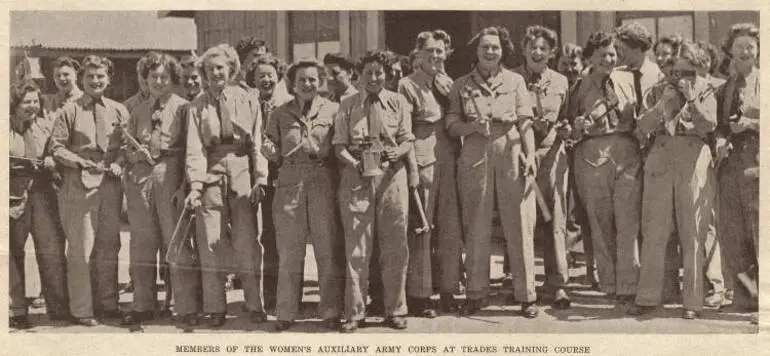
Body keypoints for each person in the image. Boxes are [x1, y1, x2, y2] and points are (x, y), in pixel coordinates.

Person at [446, 26, 538, 318]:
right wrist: (471, 127)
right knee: (476, 223)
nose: (490, 52)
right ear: (476, 51)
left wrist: (530, 154)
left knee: (519, 223)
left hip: (510, 147)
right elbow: (451, 123)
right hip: (475, 151)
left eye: (495, 47)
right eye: (485, 47)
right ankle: (476, 292)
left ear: (503, 51)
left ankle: (527, 295)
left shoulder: (516, 81)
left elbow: (525, 121)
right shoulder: (460, 84)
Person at [630, 41, 717, 320]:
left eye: (688, 72)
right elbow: (641, 127)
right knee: (654, 228)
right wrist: (662, 105)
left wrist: (691, 99)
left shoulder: (706, 88)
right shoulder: (658, 89)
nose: (680, 77)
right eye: (676, 71)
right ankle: (648, 297)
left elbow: (708, 126)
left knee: (693, 232)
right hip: (661, 153)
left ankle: (693, 301)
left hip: (693, 156)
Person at [184, 44, 269, 328]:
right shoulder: (197, 106)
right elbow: (194, 148)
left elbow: (257, 140)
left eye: (220, 68)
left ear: (231, 69)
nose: (215, 73)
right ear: (204, 74)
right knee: (210, 243)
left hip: (242, 170)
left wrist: (260, 177)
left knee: (246, 241)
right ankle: (214, 307)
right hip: (211, 172)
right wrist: (196, 185)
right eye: (210, 69)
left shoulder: (248, 98)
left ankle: (254, 304)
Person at [333, 50, 416, 333]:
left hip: (392, 177)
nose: (373, 77)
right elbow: (339, 145)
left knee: (395, 246)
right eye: (368, 72)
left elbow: (407, 138)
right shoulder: (347, 104)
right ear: (359, 75)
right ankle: (355, 312)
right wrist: (354, 162)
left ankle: (395, 309)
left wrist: (397, 152)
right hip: (357, 177)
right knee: (357, 247)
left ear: (387, 75)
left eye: (378, 72)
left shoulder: (399, 102)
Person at [559, 31, 641, 307]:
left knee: (628, 221)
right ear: (590, 57)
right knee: (600, 221)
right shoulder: (578, 87)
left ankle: (629, 284)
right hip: (592, 154)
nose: (609, 59)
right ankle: (609, 283)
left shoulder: (628, 80)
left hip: (626, 151)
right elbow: (568, 126)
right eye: (603, 54)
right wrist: (576, 127)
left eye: (613, 54)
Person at [263, 58, 345, 332]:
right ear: (292, 84)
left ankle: (331, 310)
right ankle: (286, 312)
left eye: (312, 79)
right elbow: (270, 144)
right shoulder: (279, 113)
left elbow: (341, 147)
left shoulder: (334, 109)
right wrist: (269, 150)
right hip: (289, 181)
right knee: (289, 250)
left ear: (320, 82)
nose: (307, 84)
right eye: (302, 80)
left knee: (327, 249)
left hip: (322, 180)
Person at [120, 52, 201, 329]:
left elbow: (193, 149)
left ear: (172, 79)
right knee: (142, 243)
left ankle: (185, 306)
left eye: (163, 77)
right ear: (146, 78)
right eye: (153, 76)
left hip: (171, 173)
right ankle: (143, 304)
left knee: (176, 243)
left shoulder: (184, 108)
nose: (157, 81)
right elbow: (126, 150)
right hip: (142, 179)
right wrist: (135, 156)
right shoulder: (138, 111)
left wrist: (184, 185)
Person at [49, 55, 128, 326]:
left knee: (109, 245)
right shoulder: (69, 110)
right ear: (82, 79)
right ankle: (82, 310)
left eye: (101, 76)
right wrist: (78, 161)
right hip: (79, 183)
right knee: (82, 248)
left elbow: (127, 146)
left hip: (110, 184)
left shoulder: (118, 110)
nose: (95, 81)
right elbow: (56, 147)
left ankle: (108, 304)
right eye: (90, 77)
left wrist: (118, 163)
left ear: (109, 78)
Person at [398, 29, 463, 317]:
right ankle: (420, 295)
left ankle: (449, 291)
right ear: (418, 55)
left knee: (450, 227)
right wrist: (411, 169)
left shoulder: (450, 84)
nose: (436, 56)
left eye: (440, 51)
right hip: (423, 159)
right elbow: (405, 131)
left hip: (449, 158)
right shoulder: (407, 86)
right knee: (423, 227)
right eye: (430, 51)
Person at [513, 25, 571, 309]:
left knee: (554, 220)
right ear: (524, 49)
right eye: (532, 47)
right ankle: (522, 284)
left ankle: (558, 283)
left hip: (552, 156)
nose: (537, 52)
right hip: (521, 157)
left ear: (551, 53)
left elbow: (569, 116)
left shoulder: (561, 81)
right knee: (523, 221)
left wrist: (565, 128)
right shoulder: (511, 79)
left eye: (543, 48)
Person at [9, 79, 70, 329]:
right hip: (13, 197)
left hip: (43, 195)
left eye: (35, 101)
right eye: (26, 102)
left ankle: (58, 307)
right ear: (14, 103)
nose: (31, 106)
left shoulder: (46, 127)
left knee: (51, 251)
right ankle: (16, 309)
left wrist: (52, 163)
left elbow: (58, 153)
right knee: (12, 254)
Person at [714, 23, 759, 325]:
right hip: (730, 172)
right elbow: (718, 125)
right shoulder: (725, 88)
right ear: (731, 51)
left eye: (750, 45)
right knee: (735, 236)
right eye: (740, 45)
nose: (745, 50)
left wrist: (753, 124)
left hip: (759, 167)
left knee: (761, 236)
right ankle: (747, 299)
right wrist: (719, 139)